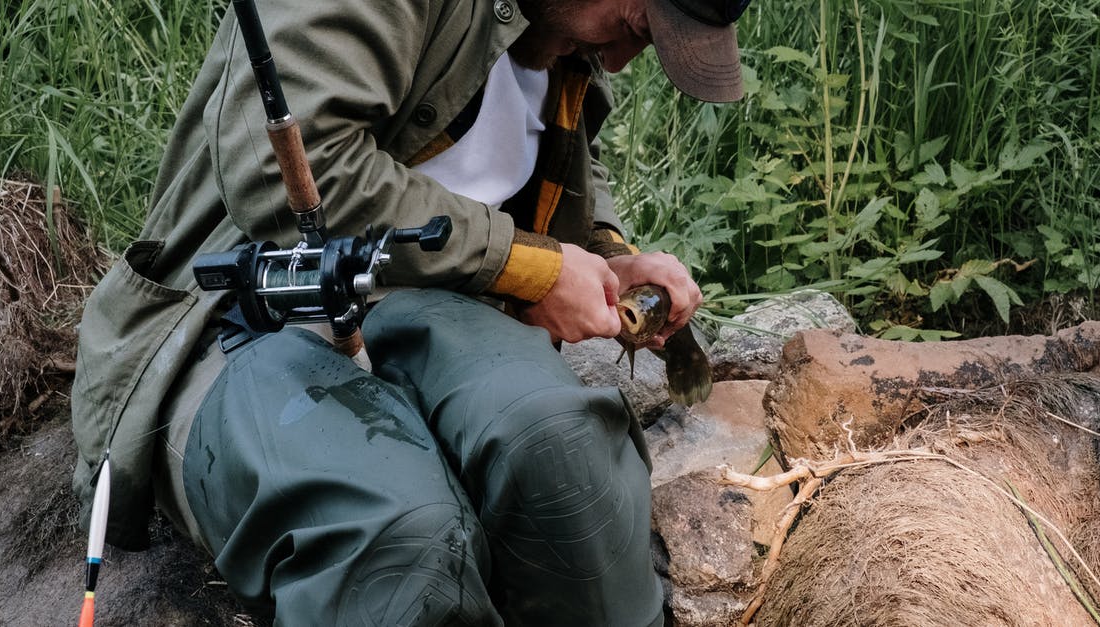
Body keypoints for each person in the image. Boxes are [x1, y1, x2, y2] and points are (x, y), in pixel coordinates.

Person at [69, 0, 750, 623]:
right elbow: (285, 170)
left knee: (561, 454)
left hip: (442, 301)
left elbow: (543, 150)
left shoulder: (561, 30)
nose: (621, 61)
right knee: (398, 539)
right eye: (636, 29)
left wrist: (604, 254)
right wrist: (528, 267)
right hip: (248, 304)